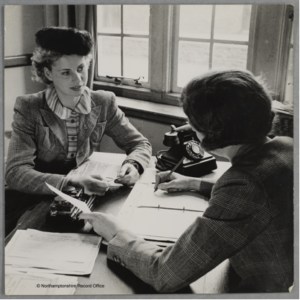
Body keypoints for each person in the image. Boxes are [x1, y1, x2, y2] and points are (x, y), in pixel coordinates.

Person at [79, 70, 293, 293]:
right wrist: (194, 184)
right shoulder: (287, 146)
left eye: (192, 121)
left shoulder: (243, 185)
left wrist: (116, 233)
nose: (189, 127)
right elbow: (262, 199)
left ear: (210, 133)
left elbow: (164, 274)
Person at [5, 27, 152, 235]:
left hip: (84, 195)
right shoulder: (29, 107)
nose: (78, 79)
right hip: (34, 196)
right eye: (66, 72)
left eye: (81, 68)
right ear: (48, 73)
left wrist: (134, 165)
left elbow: (139, 144)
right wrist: (70, 181)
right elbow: (15, 173)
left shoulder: (104, 101)